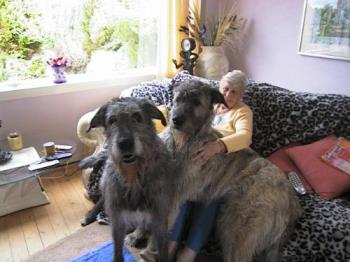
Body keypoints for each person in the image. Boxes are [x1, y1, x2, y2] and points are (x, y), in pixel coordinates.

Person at [168, 70, 253, 262]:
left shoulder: (242, 112)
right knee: (185, 195)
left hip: (224, 163)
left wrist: (218, 146)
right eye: (226, 89)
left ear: (241, 95)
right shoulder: (210, 108)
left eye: (235, 92)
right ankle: (170, 244)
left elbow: (244, 137)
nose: (228, 95)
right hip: (197, 157)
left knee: (210, 199)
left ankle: (189, 252)